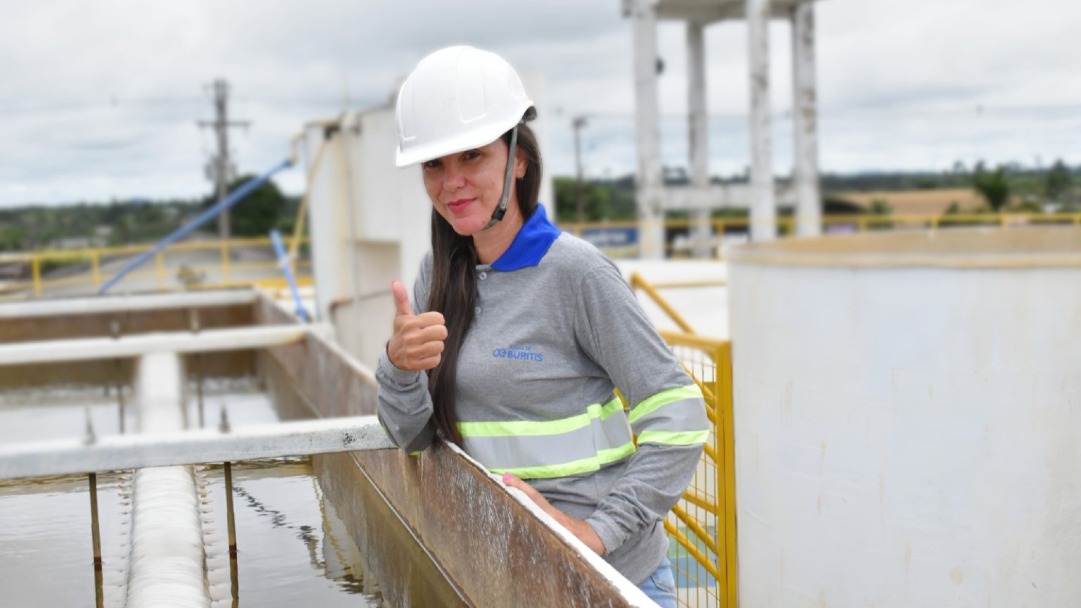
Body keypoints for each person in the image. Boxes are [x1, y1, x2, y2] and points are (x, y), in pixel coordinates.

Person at [376, 45, 709, 607]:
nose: (451, 182)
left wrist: (597, 533)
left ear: (518, 159)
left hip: (607, 582)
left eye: (472, 157)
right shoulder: (437, 274)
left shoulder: (575, 275)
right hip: (511, 574)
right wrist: (398, 366)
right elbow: (411, 437)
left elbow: (680, 417)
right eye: (435, 163)